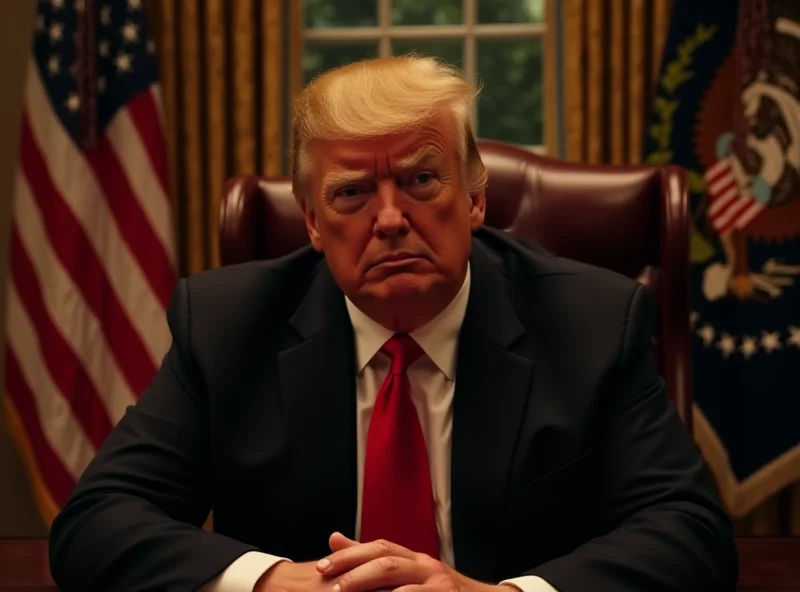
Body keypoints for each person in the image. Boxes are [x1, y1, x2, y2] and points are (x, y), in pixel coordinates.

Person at [49, 55, 738, 592]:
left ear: (473, 198)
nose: (388, 219)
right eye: (351, 192)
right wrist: (274, 578)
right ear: (314, 222)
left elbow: (689, 534)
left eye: (419, 180)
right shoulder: (228, 326)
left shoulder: (592, 322)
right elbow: (96, 524)